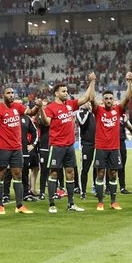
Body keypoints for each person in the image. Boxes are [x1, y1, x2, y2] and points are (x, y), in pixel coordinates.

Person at [37, 74, 96, 213]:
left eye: (66, 91)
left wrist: (92, 81)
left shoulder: (70, 104)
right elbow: (46, 122)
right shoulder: (51, 107)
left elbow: (86, 98)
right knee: (53, 174)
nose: (66, 93)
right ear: (57, 93)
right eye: (63, 91)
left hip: (69, 146)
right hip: (56, 146)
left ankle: (71, 204)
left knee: (70, 173)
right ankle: (52, 204)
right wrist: (41, 109)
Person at [82, 72, 132, 211]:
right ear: (103, 100)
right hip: (101, 148)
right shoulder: (98, 110)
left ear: (113, 100)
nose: (108, 100)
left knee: (113, 174)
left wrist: (129, 82)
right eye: (106, 98)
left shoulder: (118, 110)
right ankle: (100, 201)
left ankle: (113, 201)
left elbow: (128, 97)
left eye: (110, 98)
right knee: (100, 173)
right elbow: (92, 98)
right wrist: (93, 81)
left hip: (114, 148)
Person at [0, 87, 37, 214]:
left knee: (18, 175)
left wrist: (37, 107)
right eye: (8, 93)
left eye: (12, 93)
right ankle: (0, 205)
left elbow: (31, 112)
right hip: (3, 148)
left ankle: (19, 206)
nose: (11, 95)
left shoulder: (17, 106)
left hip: (17, 148)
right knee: (1, 174)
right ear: (3, 95)